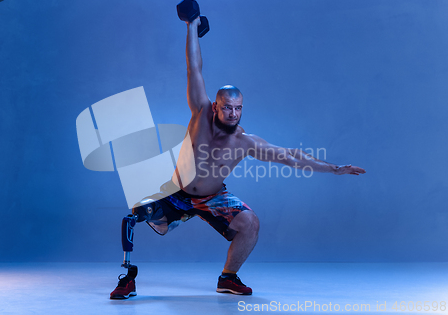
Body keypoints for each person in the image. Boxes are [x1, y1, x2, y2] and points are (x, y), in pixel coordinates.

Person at [110, 16, 366, 299]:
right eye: (227, 108)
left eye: (238, 108)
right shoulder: (199, 115)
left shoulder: (245, 142)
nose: (233, 113)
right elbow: (193, 68)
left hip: (213, 198)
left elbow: (292, 158)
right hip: (176, 193)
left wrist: (335, 169)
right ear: (215, 107)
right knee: (135, 215)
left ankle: (228, 277)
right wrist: (191, 26)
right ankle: (127, 277)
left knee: (250, 223)